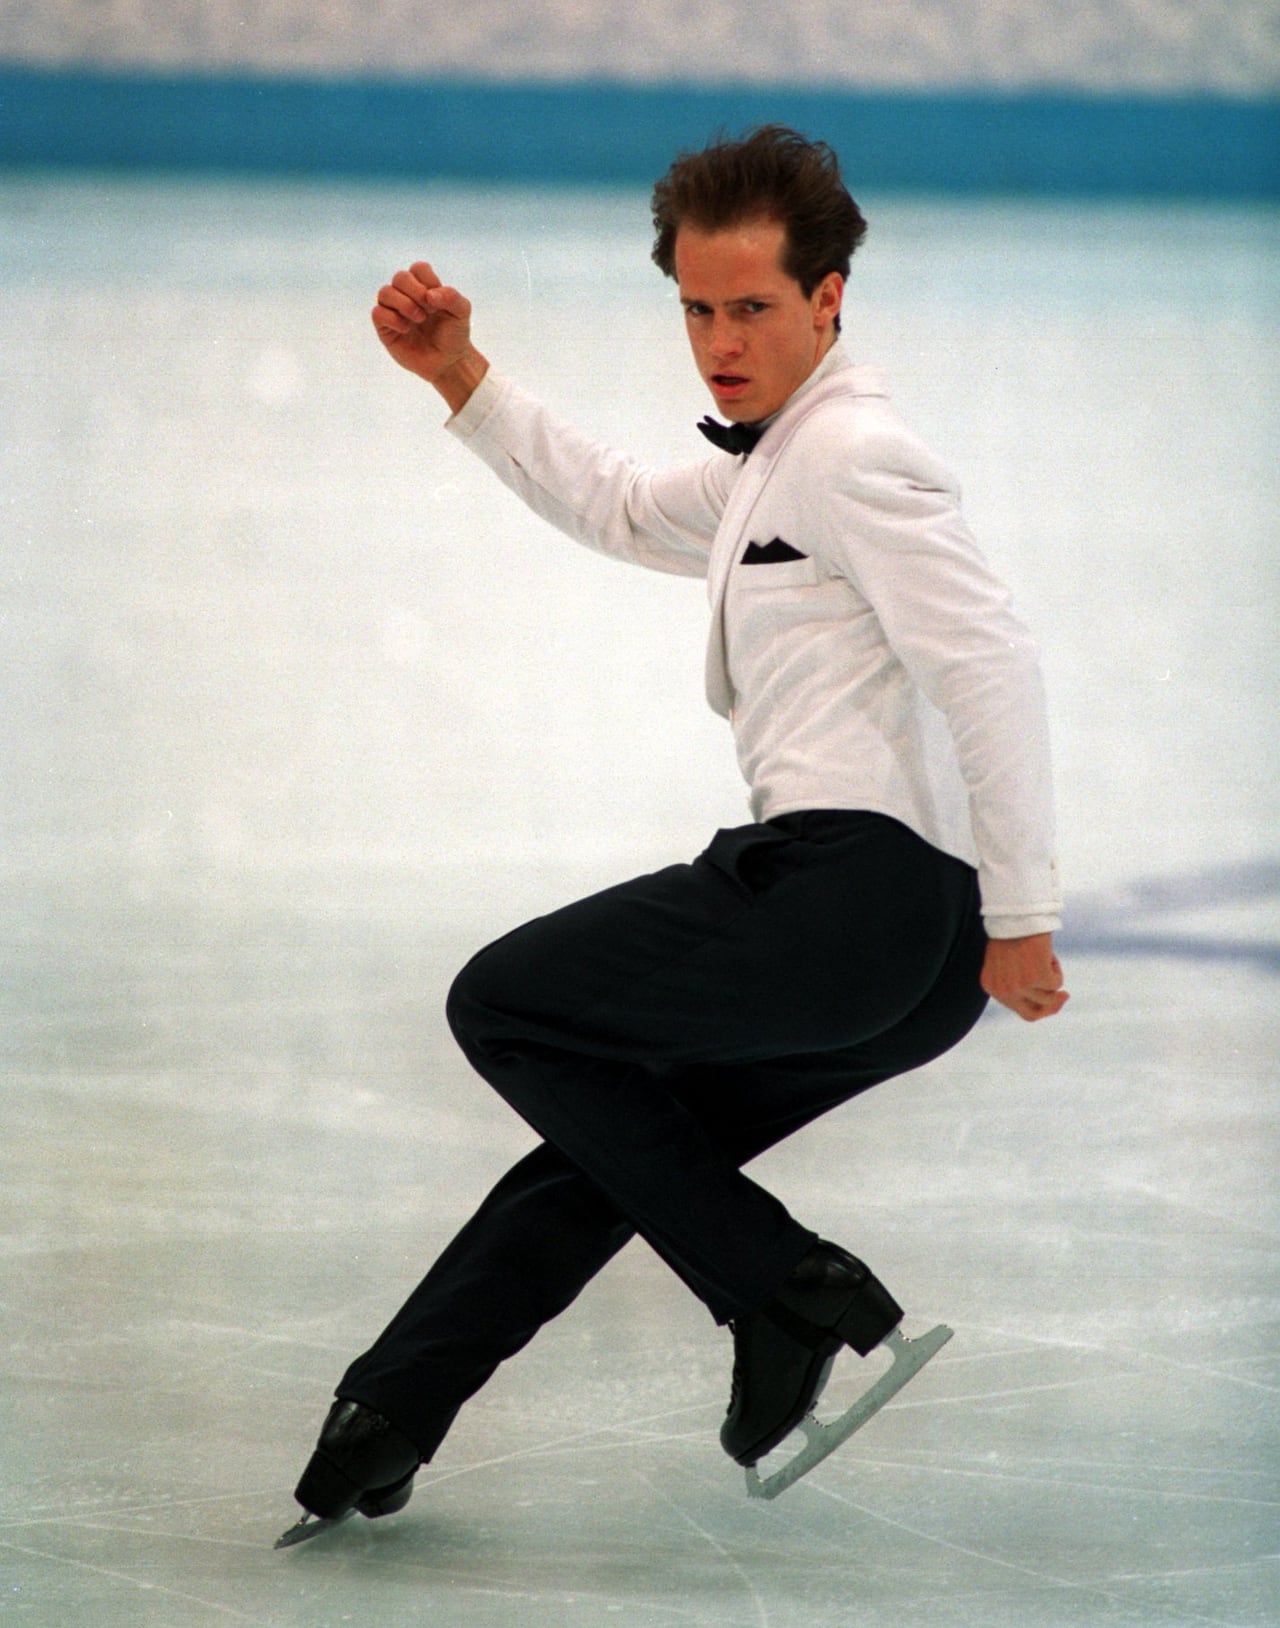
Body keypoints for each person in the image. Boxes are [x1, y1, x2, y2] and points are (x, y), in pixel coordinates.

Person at [278, 125, 1067, 1544]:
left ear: (830, 299)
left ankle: (784, 1287)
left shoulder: (858, 453)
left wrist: (1024, 912)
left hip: (860, 895)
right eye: (698, 308)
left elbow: (990, 664)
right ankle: (391, 1411)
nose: (720, 339)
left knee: (506, 1002)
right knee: (620, 1134)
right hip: (900, 953)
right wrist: (462, 377)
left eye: (753, 307)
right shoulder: (772, 466)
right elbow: (625, 504)